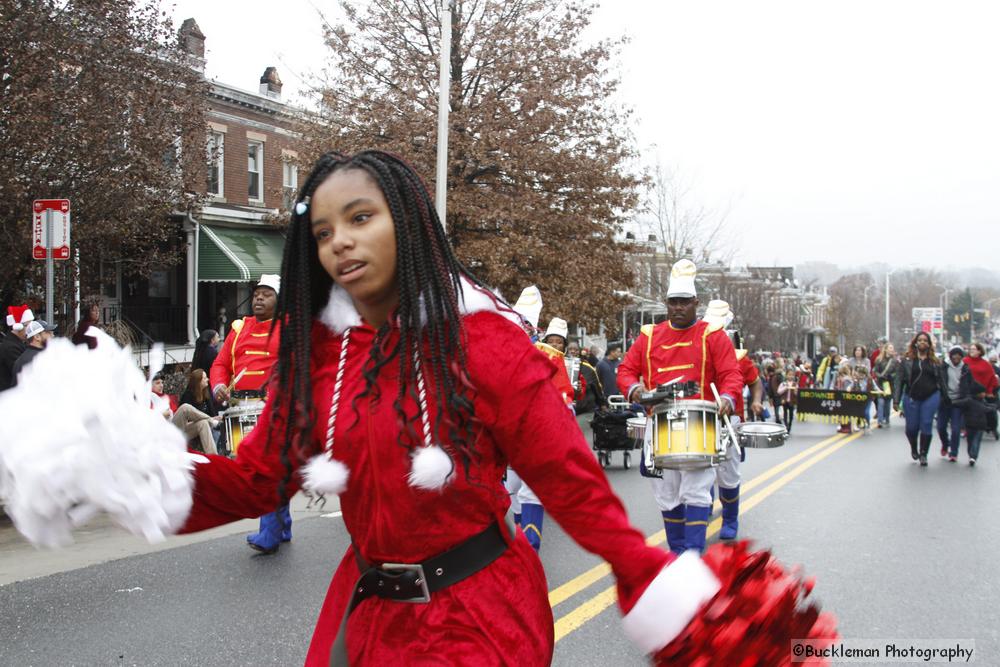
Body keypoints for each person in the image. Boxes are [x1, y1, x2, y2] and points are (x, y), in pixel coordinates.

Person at [1, 150, 837, 665]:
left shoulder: (485, 344)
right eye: (325, 231)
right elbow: (254, 478)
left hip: (479, 621)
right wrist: (124, 475)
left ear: (406, 221)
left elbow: (573, 482)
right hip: (372, 621)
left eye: (361, 218)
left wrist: (663, 585)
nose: (341, 243)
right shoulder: (320, 357)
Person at [618, 259, 741, 555]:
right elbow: (625, 370)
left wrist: (727, 397)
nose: (678, 308)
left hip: (700, 420)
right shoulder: (648, 337)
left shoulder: (713, 335)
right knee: (666, 493)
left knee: (697, 489)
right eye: (673, 302)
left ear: (695, 302)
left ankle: (694, 555)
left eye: (684, 302)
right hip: (659, 421)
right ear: (666, 303)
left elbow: (730, 374)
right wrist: (636, 390)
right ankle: (676, 555)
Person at [209, 273, 285, 553]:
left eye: (266, 294)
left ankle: (270, 532)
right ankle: (282, 523)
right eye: (256, 294)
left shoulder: (290, 328)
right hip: (240, 409)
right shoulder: (239, 329)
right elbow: (220, 364)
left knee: (264, 470)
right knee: (254, 470)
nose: (259, 299)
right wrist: (218, 386)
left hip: (272, 410)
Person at [512, 316, 576, 550]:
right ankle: (518, 549)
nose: (555, 345)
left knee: (530, 492)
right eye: (552, 340)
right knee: (510, 491)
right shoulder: (514, 356)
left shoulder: (560, 365)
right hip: (511, 436)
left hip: (538, 436)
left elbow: (566, 397)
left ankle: (530, 551)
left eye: (560, 342)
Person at [703, 303, 762, 542]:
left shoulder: (739, 357)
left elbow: (755, 382)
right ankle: (702, 506)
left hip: (730, 418)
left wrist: (756, 401)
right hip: (703, 416)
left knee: (727, 472)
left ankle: (730, 518)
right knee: (700, 466)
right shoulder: (697, 350)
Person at [893, 332, 947, 466]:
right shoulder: (906, 360)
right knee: (911, 428)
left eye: (925, 340)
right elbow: (898, 381)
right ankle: (913, 447)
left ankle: (924, 453)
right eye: (920, 340)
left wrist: (946, 398)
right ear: (915, 343)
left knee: (926, 424)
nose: (922, 342)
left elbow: (941, 381)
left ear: (929, 344)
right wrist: (896, 400)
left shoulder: (936, 361)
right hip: (911, 397)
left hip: (931, 396)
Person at [177, 368, 221, 455]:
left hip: (197, 428)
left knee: (204, 422)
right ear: (198, 381)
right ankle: (210, 420)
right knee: (185, 407)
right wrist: (211, 420)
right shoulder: (188, 395)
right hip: (181, 428)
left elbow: (212, 413)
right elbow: (187, 419)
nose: (207, 379)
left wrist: (215, 418)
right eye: (205, 378)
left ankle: (214, 458)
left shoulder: (206, 394)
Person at [937, 345, 967, 462]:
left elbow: (969, 384)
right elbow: (938, 381)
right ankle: (945, 444)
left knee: (956, 429)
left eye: (959, 355)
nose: (956, 357)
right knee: (940, 427)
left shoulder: (965, 368)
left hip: (958, 402)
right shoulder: (943, 366)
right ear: (950, 356)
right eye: (954, 355)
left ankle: (954, 452)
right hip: (945, 400)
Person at [964, 342, 998, 440]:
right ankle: (966, 429)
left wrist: (989, 391)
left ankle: (991, 427)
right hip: (966, 391)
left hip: (980, 393)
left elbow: (992, 378)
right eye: (970, 349)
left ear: (979, 351)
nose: (971, 351)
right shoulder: (965, 361)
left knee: (987, 411)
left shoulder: (985, 364)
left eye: (974, 349)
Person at [1, 304, 34, 392]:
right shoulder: (11, 347)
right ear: (18, 326)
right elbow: (22, 373)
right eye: (28, 325)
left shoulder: (15, 343)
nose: (30, 329)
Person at [11, 319, 57, 384]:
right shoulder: (36, 359)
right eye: (48, 333)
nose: (52, 335)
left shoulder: (24, 358)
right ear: (37, 337)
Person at [873, 343, 898, 428]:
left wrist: (892, 376)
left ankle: (887, 419)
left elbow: (897, 372)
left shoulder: (895, 361)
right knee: (880, 402)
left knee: (887, 403)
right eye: (890, 348)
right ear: (886, 349)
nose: (892, 349)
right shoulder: (879, 360)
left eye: (892, 348)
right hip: (880, 384)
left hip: (889, 384)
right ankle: (880, 421)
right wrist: (879, 375)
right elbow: (875, 371)